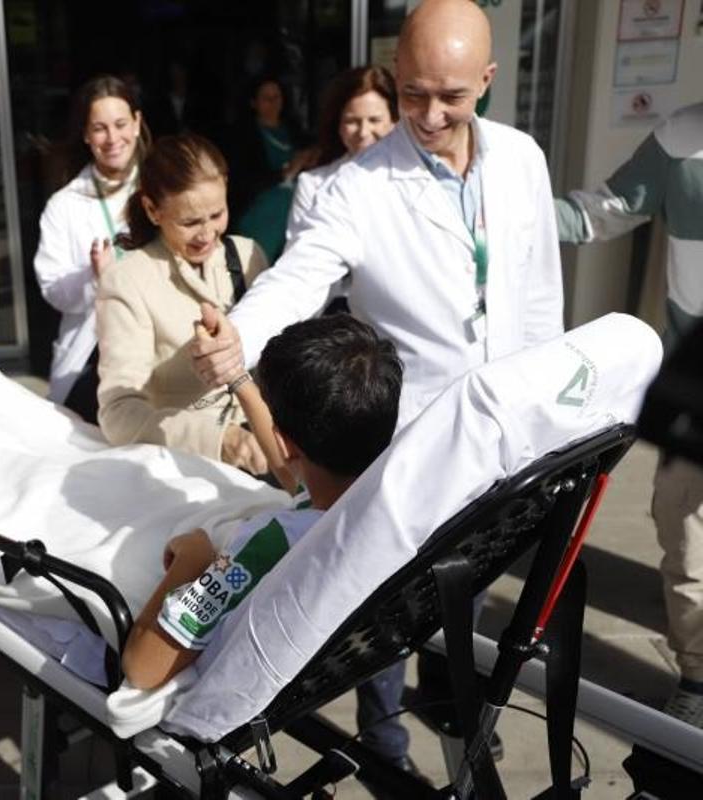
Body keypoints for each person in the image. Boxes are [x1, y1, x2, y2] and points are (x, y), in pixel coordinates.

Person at [189, 0, 562, 771]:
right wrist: (241, 335)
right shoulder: (353, 188)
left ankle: (454, 703)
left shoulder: (523, 158)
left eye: (451, 97)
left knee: (473, 590)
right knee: (386, 608)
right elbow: (299, 279)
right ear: (395, 79)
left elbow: (538, 293)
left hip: (509, 439)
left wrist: (554, 408)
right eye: (413, 93)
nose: (428, 114)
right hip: (412, 442)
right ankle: (386, 744)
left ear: (487, 81)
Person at [123, 314, 402, 689]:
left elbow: (144, 669)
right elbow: (293, 471)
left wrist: (194, 558)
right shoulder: (385, 500)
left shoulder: (264, 546)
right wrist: (238, 379)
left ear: (287, 444)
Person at [556, 100, 703, 728]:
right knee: (688, 537)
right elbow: (608, 209)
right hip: (700, 390)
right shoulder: (680, 135)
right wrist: (505, 209)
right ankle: (699, 678)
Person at [96, 133, 269, 475]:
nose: (207, 234)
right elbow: (119, 413)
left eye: (217, 215)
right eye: (190, 222)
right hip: (188, 468)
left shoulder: (249, 255)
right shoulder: (127, 280)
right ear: (152, 210)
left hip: (271, 450)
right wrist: (221, 440)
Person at [33, 75, 148, 419]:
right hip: (93, 358)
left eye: (120, 124)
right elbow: (53, 289)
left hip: (158, 349)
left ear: (138, 123)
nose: (112, 138)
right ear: (85, 135)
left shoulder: (163, 187)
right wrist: (94, 276)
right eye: (99, 128)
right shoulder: (64, 205)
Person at [286, 65, 398, 242]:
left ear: (395, 121)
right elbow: (299, 258)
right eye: (352, 121)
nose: (363, 132)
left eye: (374, 120)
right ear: (338, 124)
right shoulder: (313, 185)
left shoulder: (417, 179)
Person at [227, 75, 309, 262]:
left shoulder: (294, 131)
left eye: (277, 97)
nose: (273, 103)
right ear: (253, 102)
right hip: (259, 214)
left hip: (296, 212)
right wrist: (285, 172)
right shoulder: (242, 135)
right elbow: (242, 180)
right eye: (266, 98)